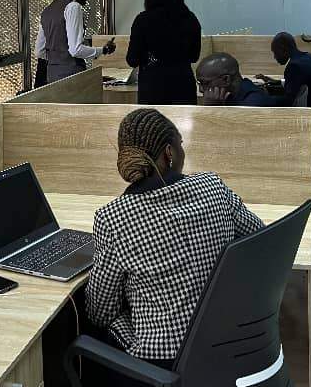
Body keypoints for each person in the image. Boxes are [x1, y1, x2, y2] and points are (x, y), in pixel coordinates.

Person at [85, 108, 264, 364]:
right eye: (180, 144)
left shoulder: (113, 218)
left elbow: (100, 312)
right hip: (230, 345)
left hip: (164, 364)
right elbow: (259, 237)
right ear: (169, 152)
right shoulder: (213, 187)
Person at [126, 0, 201, 105]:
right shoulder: (190, 18)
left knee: (153, 119)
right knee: (183, 119)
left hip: (153, 86)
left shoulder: (142, 20)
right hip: (183, 84)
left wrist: (150, 57)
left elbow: (132, 59)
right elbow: (194, 56)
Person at [35, 0, 115, 84]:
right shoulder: (73, 7)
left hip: (52, 76)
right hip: (72, 76)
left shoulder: (48, 10)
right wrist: (103, 50)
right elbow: (76, 50)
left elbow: (39, 51)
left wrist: (58, 59)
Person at [257, 32, 311, 107]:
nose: (275, 57)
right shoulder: (309, 57)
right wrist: (277, 82)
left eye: (275, 52)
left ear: (283, 48)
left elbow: (287, 102)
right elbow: (297, 83)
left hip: (309, 111)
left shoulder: (294, 66)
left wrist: (264, 98)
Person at [195, 52, 272, 106]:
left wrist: (213, 109)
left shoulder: (253, 102)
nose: (201, 89)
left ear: (226, 79)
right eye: (199, 83)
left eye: (205, 83)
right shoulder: (233, 95)